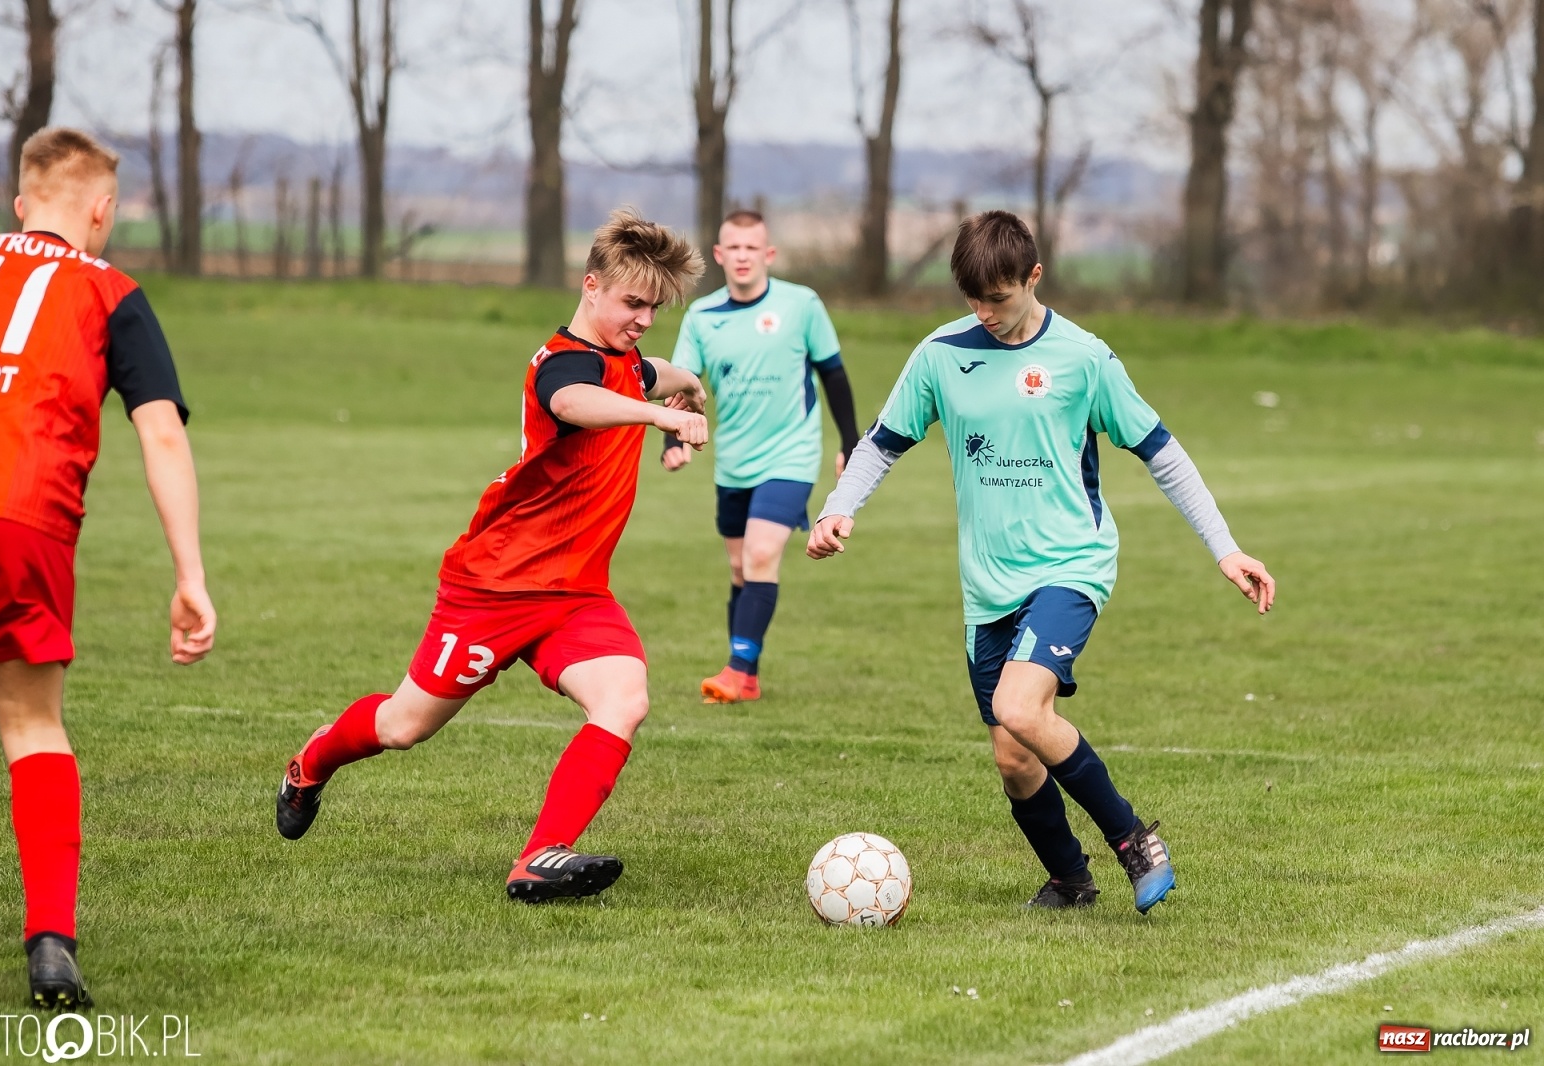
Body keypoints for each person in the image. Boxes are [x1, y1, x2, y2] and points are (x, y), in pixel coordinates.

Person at [807, 211, 1275, 913]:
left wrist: (1226, 546)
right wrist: (840, 506)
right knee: (1014, 756)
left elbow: (1162, 454)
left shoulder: (1084, 358)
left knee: (1018, 706)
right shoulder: (940, 355)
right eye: (971, 299)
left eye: (997, 297)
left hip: (1070, 564)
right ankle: (1069, 879)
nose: (983, 313)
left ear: (1033, 277)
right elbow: (881, 441)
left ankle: (1132, 839)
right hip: (986, 586)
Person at [276, 209, 709, 903]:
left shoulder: (627, 363)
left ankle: (540, 857)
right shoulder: (561, 364)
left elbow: (653, 372)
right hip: (495, 588)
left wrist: (685, 389)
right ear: (591, 286)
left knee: (624, 699)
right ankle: (310, 764)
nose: (644, 319)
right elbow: (575, 399)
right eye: (632, 303)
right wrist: (661, 416)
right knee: (402, 725)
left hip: (576, 594)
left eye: (654, 307)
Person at [0, 128, 215, 1006]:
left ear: (21, 203)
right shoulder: (110, 290)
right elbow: (162, 430)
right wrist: (190, 575)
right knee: (29, 724)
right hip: (24, 514)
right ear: (102, 210)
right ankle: (50, 944)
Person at [662, 210, 859, 703]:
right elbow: (681, 384)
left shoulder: (801, 305)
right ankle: (746, 675)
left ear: (767, 254)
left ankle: (736, 669)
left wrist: (850, 443)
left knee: (762, 554)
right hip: (734, 461)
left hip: (791, 456)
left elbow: (833, 374)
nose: (744, 256)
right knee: (740, 570)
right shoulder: (703, 317)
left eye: (753, 248)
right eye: (735, 248)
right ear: (720, 255)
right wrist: (673, 440)